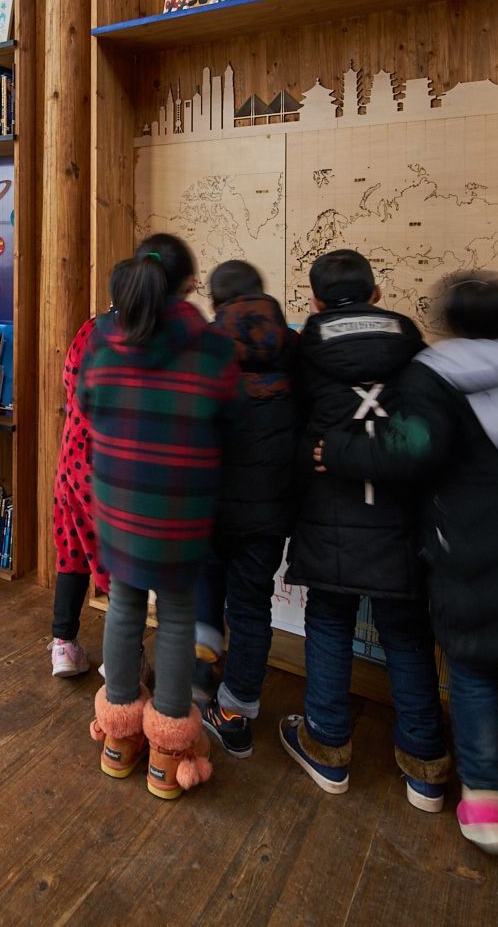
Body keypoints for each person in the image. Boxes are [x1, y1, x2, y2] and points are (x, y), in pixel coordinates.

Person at [318, 273, 498, 860]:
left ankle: (486, 799)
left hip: (471, 549)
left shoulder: (436, 374)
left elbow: (411, 447)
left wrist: (341, 449)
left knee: (474, 671)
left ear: (448, 320)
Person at [274, 249, 449, 810]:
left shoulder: (303, 348)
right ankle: (426, 764)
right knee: (406, 629)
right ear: (376, 294)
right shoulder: (412, 344)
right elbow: (426, 433)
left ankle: (327, 746)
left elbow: (291, 429)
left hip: (328, 512)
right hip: (399, 515)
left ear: (316, 301)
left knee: (328, 619)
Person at [80, 235, 238, 800]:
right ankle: (168, 758)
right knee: (175, 613)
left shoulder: (103, 336)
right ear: (190, 282)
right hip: (183, 502)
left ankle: (119, 741)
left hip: (118, 497)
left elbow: (86, 404)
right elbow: (228, 413)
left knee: (123, 603)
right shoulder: (212, 344)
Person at [191, 260, 298, 761]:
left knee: (205, 589)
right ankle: (234, 715)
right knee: (253, 606)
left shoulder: (203, 347)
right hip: (271, 506)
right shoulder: (295, 346)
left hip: (210, 503)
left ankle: (195, 683)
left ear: (215, 301)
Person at [48, 312, 107, 677]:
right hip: (109, 465)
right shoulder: (145, 334)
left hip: (73, 454)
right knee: (116, 563)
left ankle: (63, 645)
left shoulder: (93, 326)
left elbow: (70, 380)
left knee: (72, 549)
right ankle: (126, 660)